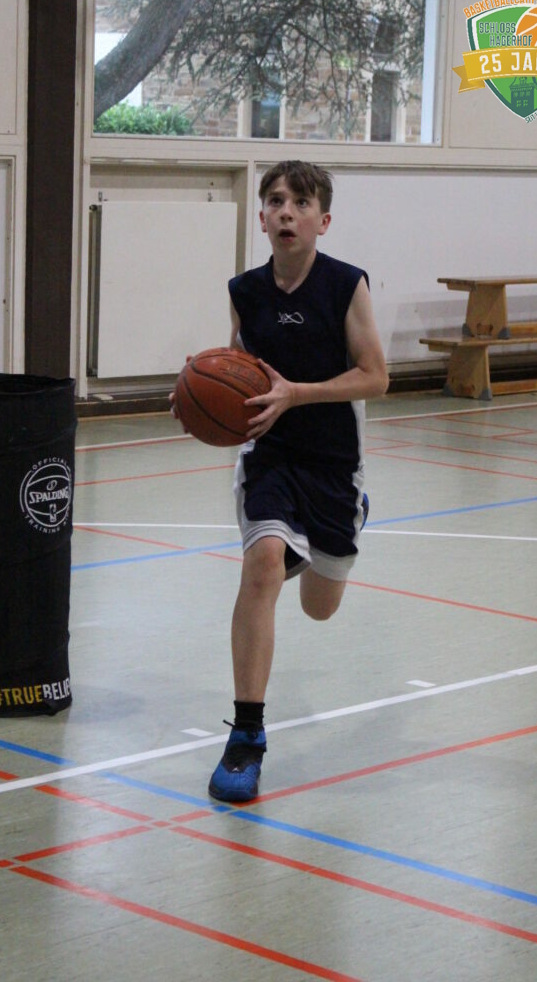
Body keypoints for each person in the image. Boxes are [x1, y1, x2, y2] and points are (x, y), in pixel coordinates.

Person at [174, 160, 388, 802]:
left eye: (299, 202)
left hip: (333, 463)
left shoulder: (345, 285)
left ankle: (332, 529)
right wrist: (196, 392)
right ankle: (246, 736)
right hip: (269, 455)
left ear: (323, 220)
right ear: (263, 218)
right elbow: (236, 369)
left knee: (319, 608)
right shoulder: (245, 291)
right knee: (262, 564)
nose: (285, 210)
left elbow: (376, 377)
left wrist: (297, 393)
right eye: (274, 200)